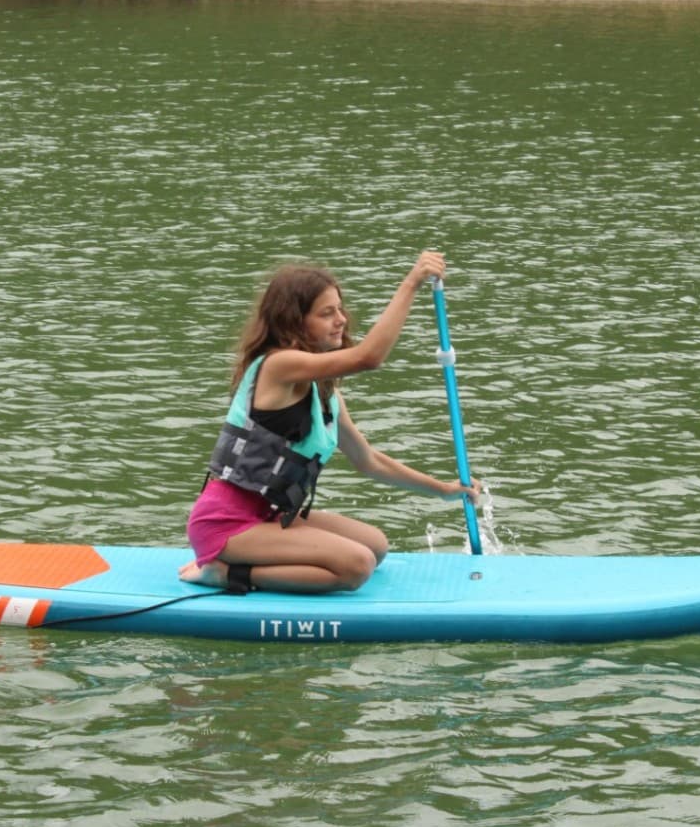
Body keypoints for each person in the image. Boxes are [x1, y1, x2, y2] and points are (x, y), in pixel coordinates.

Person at [180, 250, 481, 594]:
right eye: (326, 313)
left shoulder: (324, 391)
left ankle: (244, 562)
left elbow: (368, 461)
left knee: (376, 546)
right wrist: (412, 283)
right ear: (295, 322)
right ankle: (226, 573)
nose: (341, 320)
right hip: (224, 523)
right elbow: (369, 357)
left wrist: (443, 490)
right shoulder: (278, 366)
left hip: (269, 515)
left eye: (340, 309)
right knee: (357, 566)